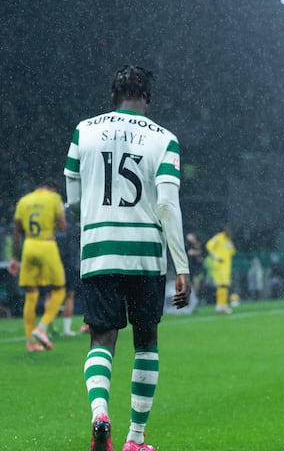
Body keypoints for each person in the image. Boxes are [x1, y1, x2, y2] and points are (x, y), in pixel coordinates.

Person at [65, 65, 190, 451]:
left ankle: (100, 412)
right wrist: (181, 265)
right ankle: (135, 439)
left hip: (99, 249)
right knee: (146, 341)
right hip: (145, 256)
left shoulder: (83, 131)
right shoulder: (165, 139)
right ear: (148, 98)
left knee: (101, 338)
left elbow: (72, 201)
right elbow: (167, 205)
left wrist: (96, 222)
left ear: (112, 96)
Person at [7, 180, 67, 351]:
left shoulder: (24, 200)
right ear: (51, 189)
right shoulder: (54, 197)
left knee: (31, 294)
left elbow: (16, 231)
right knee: (59, 289)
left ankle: (30, 342)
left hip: (29, 246)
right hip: (47, 245)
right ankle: (42, 327)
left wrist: (14, 258)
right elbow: (63, 227)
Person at [206, 225, 235, 314]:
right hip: (219, 265)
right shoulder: (219, 237)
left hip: (226, 267)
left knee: (224, 286)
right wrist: (215, 256)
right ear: (225, 230)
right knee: (222, 286)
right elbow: (209, 245)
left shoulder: (227, 240)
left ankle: (221, 305)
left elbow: (233, 252)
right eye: (228, 230)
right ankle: (221, 305)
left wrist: (230, 242)